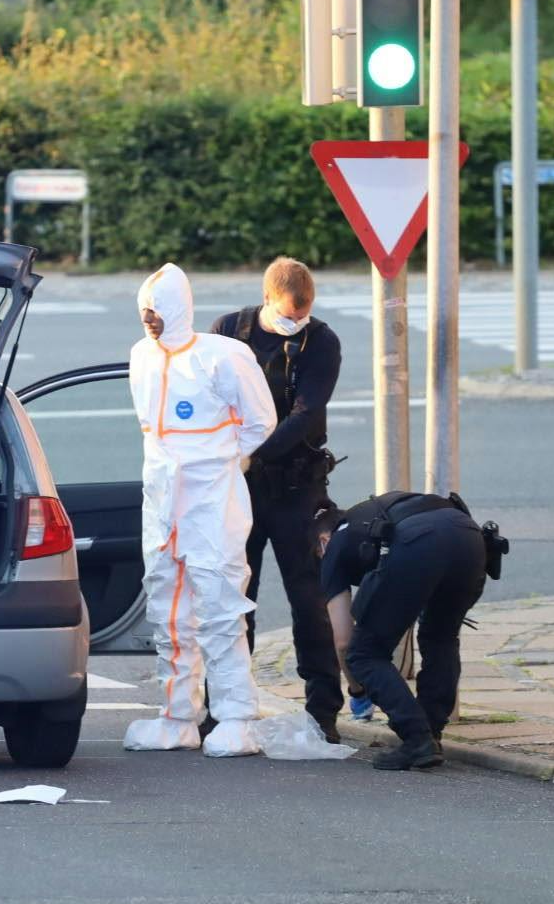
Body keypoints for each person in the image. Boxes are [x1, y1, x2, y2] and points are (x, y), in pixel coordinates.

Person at [125, 263, 278, 757]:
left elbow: (259, 421)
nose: (150, 319)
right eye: (145, 310)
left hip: (212, 497)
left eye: (157, 309)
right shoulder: (141, 358)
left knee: (219, 605)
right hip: (163, 499)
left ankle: (236, 716)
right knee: (167, 607)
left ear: (178, 308)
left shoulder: (223, 357)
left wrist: (222, 460)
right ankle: (177, 715)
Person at [211, 258, 347, 740]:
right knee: (232, 598)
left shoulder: (322, 341)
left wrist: (253, 452)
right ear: (267, 299)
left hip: (296, 485)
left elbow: (308, 415)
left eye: (303, 316)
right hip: (238, 487)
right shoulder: (229, 331)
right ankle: (225, 704)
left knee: (309, 598)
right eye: (289, 316)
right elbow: (209, 397)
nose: (296, 324)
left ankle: (324, 710)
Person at [315, 491, 502, 771]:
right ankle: (432, 732)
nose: (320, 560)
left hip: (417, 545)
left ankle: (417, 738)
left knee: (365, 653)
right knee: (441, 639)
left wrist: (358, 689)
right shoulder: (368, 516)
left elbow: (343, 641)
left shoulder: (336, 543)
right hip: (469, 537)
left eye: (317, 555)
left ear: (322, 540)